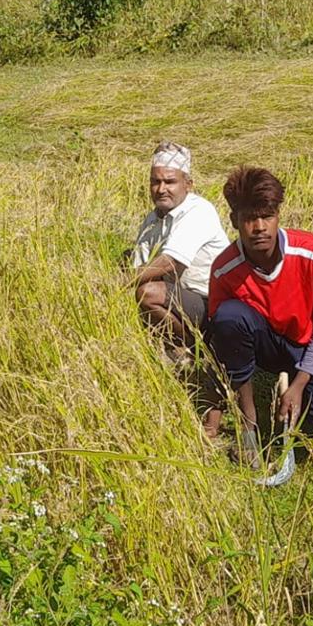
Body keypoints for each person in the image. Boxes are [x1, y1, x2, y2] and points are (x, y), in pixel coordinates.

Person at [205, 165, 313, 448]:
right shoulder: (224, 270)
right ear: (233, 220)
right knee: (229, 316)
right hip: (274, 344)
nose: (259, 228)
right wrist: (218, 416)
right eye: (249, 219)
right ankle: (251, 424)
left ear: (278, 216)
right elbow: (224, 342)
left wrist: (299, 385)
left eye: (267, 217)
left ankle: (306, 394)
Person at [129, 141, 231, 433]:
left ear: (188, 183)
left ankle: (190, 348)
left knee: (146, 293)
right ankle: (182, 348)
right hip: (182, 298)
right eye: (155, 182)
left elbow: (169, 263)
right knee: (143, 286)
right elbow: (140, 263)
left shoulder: (199, 211)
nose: (161, 189)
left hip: (212, 301)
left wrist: (118, 284)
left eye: (170, 182)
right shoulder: (152, 219)